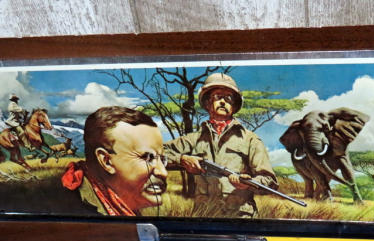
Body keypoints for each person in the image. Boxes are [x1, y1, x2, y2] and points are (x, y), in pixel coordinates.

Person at [164, 73, 277, 218]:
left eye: (228, 98)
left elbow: (270, 181)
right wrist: (182, 159)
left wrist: (250, 183)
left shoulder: (250, 140)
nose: (223, 102)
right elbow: (157, 152)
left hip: (239, 218)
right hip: (203, 218)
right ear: (207, 103)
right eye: (218, 97)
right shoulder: (194, 138)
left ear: (234, 105)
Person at [60, 106, 168, 216]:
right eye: (147, 158)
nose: (163, 172)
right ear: (106, 161)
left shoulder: (122, 206)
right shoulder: (72, 209)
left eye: (162, 159)